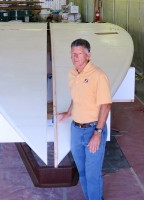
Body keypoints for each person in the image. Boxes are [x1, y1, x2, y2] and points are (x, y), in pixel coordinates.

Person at [58, 39, 112, 200]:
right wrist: (68, 112)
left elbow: (106, 105)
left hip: (93, 129)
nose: (75, 57)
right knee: (81, 171)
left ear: (88, 55)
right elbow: (77, 96)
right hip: (76, 129)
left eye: (79, 54)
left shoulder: (98, 75)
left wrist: (98, 133)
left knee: (92, 174)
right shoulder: (72, 73)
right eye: (72, 54)